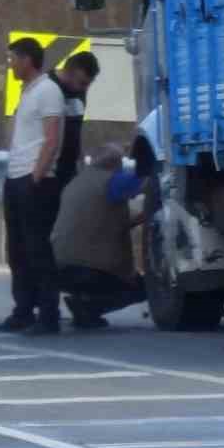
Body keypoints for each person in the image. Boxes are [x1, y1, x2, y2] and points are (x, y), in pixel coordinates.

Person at [0, 37, 66, 336]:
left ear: (27, 60)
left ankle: (48, 315)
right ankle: (22, 311)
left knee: (38, 250)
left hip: (37, 180)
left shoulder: (48, 91)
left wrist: (37, 174)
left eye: (13, 59)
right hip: (15, 176)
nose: (10, 65)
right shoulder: (27, 91)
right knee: (17, 250)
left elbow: (52, 138)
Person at [52, 141, 148, 329]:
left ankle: (84, 300)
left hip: (59, 267)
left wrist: (137, 219)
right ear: (117, 164)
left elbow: (99, 223)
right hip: (92, 270)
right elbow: (151, 183)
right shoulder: (114, 181)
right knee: (145, 287)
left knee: (89, 259)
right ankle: (91, 306)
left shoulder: (74, 183)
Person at [50, 50, 101, 189]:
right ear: (69, 72)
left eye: (88, 84)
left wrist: (81, 163)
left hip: (69, 170)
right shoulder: (47, 86)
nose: (84, 88)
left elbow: (76, 131)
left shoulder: (80, 91)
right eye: (82, 83)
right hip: (48, 169)